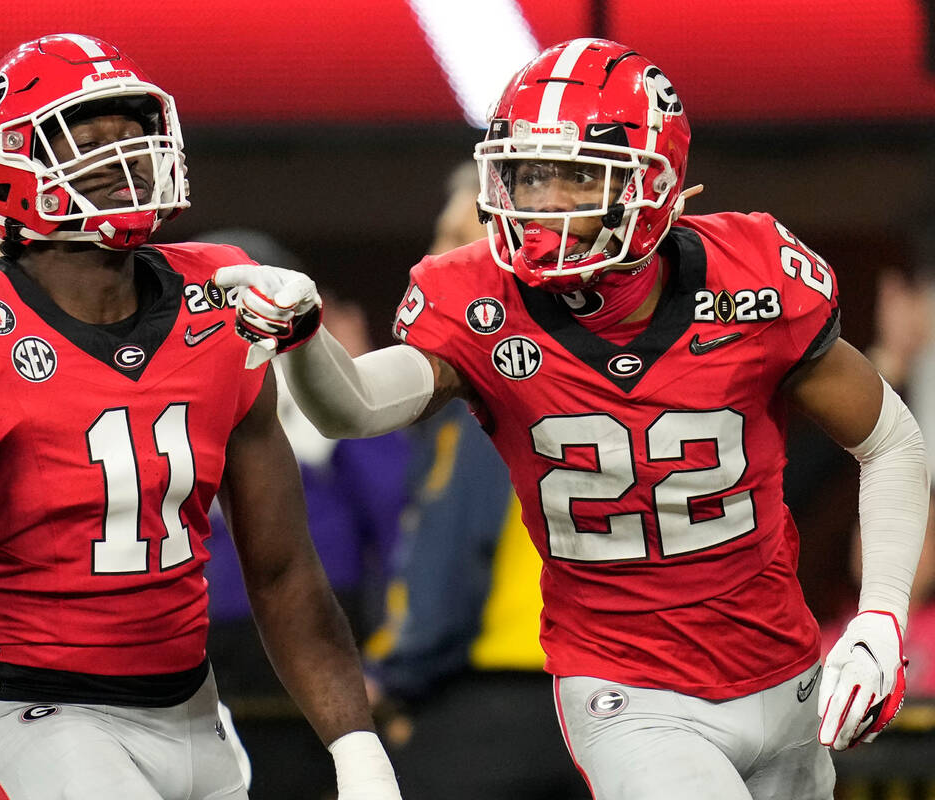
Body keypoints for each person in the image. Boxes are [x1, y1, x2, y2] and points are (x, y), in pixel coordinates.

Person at [215, 38, 930, 799]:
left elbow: (888, 438)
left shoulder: (751, 276)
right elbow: (354, 406)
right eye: (530, 174)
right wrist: (302, 340)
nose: (546, 203)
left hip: (781, 673)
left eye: (577, 176)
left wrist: (882, 617)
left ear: (653, 184)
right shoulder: (478, 299)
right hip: (626, 689)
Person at [0, 33, 401, 800]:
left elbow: (282, 566)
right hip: (37, 707)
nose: (127, 156)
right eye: (89, 140)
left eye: (134, 134)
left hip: (192, 704)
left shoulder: (221, 295)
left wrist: (355, 746)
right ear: (13, 166)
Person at [362, 162, 588, 799]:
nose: (431, 262)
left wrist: (392, 676)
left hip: (501, 697)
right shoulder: (589, 364)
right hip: (618, 697)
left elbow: (451, 553)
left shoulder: (492, 383)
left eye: (457, 240)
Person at [196, 230, 411, 799]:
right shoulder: (168, 389)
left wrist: (352, 380)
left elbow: (400, 523)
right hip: (200, 650)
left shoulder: (319, 403)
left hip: (321, 645)